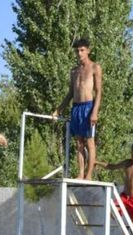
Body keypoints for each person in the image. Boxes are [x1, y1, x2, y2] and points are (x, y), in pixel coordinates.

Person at [52, 37, 103, 180]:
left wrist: (95, 112)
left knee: (89, 142)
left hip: (88, 107)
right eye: (77, 51)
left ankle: (89, 174)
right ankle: (80, 173)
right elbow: (70, 93)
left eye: (82, 50)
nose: (79, 53)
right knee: (79, 142)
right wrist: (59, 109)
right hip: (76, 107)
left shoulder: (95, 67)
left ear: (88, 51)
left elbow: (99, 92)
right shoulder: (74, 71)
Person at [96, 141, 133, 232]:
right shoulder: (127, 163)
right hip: (125, 197)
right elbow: (112, 166)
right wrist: (96, 162)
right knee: (113, 210)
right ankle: (125, 229)